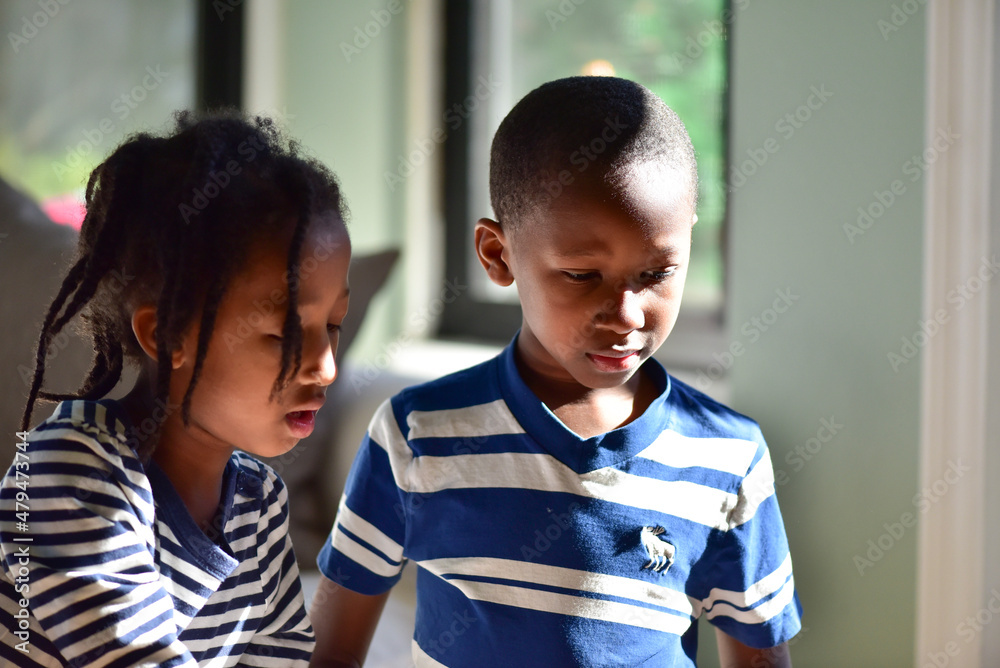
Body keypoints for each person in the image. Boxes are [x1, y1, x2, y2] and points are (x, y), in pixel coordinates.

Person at [309, 77, 802, 667]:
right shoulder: (416, 435)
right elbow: (331, 654)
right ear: (498, 255)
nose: (626, 315)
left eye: (656, 274)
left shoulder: (729, 457)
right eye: (582, 275)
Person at [0, 111, 352, 667]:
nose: (325, 367)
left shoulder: (259, 504)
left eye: (333, 326)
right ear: (166, 336)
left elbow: (282, 657)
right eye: (284, 333)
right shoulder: (67, 475)